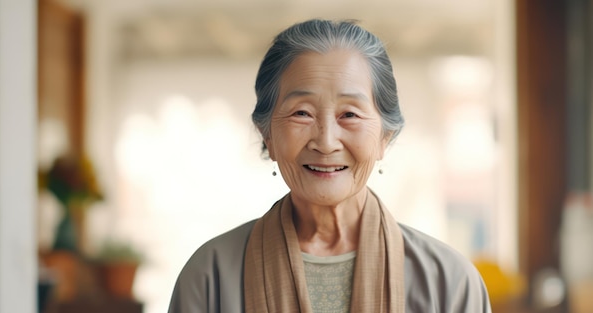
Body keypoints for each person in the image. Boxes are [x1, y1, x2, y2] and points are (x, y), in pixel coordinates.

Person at [168, 19, 492, 313]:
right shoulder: (209, 276)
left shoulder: (450, 283)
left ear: (384, 137)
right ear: (267, 134)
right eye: (301, 113)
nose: (325, 142)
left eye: (349, 114)